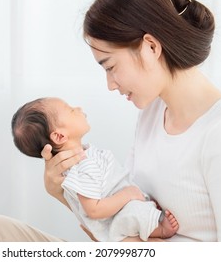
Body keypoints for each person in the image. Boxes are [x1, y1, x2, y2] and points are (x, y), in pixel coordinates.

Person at [0, 0, 221, 242]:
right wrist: (64, 194)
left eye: (110, 66)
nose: (110, 84)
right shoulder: (151, 114)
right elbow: (116, 229)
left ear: (150, 47)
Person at [10, 97, 179, 241]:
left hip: (122, 212)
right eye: (70, 110)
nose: (78, 108)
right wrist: (130, 194)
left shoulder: (85, 156)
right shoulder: (81, 168)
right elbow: (93, 210)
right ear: (59, 136)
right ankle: (160, 230)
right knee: (132, 214)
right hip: (119, 222)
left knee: (134, 212)